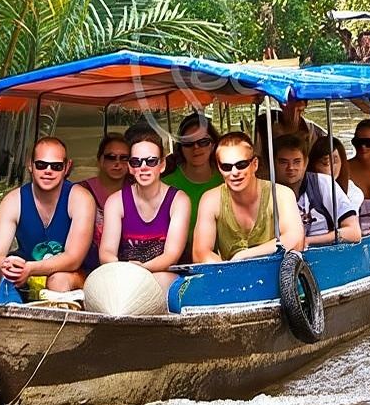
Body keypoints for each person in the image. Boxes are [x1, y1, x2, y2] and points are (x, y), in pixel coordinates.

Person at [0, 136, 96, 299]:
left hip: (69, 277)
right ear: (30, 164)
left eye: (56, 166)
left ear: (67, 167)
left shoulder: (81, 198)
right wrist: (10, 267)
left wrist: (31, 268)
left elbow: (73, 259)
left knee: (58, 280)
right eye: (41, 165)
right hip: (24, 277)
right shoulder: (13, 200)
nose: (48, 171)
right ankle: (8, 314)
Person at [193, 132, 304, 262]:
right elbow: (200, 253)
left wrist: (244, 256)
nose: (234, 172)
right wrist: (227, 269)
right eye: (226, 167)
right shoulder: (210, 200)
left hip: (277, 270)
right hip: (229, 272)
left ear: (255, 164)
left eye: (241, 165)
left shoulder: (281, 194)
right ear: (219, 168)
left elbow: (295, 240)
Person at [98, 131, 189, 288]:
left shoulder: (179, 200)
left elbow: (171, 256)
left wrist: (140, 270)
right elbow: (106, 253)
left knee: (162, 280)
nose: (143, 167)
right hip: (124, 276)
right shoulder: (115, 201)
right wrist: (125, 268)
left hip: (161, 276)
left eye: (151, 161)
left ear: (162, 165)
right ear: (130, 167)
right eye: (136, 162)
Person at [273, 134, 361, 246]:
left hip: (325, 250)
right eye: (283, 162)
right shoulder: (266, 191)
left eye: (297, 161)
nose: (291, 168)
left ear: (305, 163)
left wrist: (308, 241)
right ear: (273, 164)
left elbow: (354, 233)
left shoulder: (324, 183)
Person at [161, 112, 222, 252]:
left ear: (213, 145)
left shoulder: (227, 178)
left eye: (203, 142)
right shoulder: (165, 185)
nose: (196, 148)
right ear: (181, 147)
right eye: (188, 143)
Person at [81, 133, 129, 269]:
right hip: (85, 264)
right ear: (100, 160)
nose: (117, 163)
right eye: (111, 157)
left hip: (127, 265)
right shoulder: (82, 190)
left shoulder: (136, 190)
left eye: (124, 158)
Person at [253, 97, 325, 167]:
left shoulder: (313, 132)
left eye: (299, 110)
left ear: (304, 106)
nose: (294, 115)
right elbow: (257, 160)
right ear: (281, 105)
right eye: (290, 108)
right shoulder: (263, 127)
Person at [307, 135, 365, 203]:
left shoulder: (353, 193)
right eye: (325, 163)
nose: (329, 168)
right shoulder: (304, 190)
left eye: (335, 161)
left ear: (342, 162)